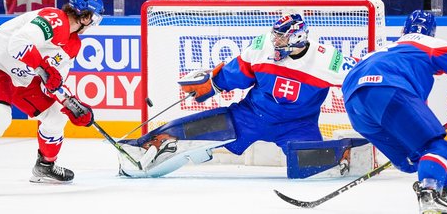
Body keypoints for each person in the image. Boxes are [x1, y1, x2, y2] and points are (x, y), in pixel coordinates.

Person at [117, 13, 364, 179]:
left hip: (297, 125)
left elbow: (362, 77)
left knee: (310, 167)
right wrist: (212, 84)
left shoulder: (328, 60)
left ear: (298, 37)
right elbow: (238, 73)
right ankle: (140, 151)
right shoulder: (262, 48)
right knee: (197, 128)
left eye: (282, 37)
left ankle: (352, 153)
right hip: (251, 115)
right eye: (275, 35)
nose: (275, 41)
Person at [0, 0, 104, 196]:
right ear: (85, 17)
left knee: (56, 116)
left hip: (24, 78)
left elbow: (54, 81)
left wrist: (71, 103)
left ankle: (45, 167)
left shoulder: (73, 44)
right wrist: (44, 68)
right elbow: (18, 44)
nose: (94, 24)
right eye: (94, 18)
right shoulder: (53, 19)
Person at [342, 10, 447, 214]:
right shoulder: (430, 43)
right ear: (432, 32)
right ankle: (429, 196)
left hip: (354, 104)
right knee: (436, 146)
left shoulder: (383, 50)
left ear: (402, 30)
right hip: (389, 90)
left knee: (414, 160)